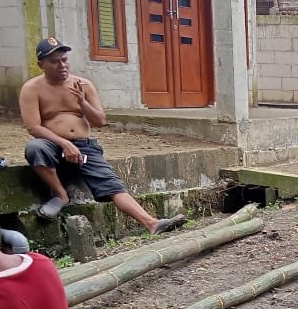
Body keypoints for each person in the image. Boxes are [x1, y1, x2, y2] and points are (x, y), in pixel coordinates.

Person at [19, 37, 185, 234]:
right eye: (55, 61)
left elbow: (100, 121)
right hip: (53, 146)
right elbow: (33, 127)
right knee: (34, 148)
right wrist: (64, 143)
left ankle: (152, 223)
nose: (62, 65)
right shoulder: (32, 89)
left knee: (112, 184)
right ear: (41, 64)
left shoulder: (84, 85)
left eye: (64, 59)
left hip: (85, 147)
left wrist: (82, 103)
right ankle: (61, 195)